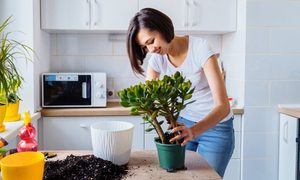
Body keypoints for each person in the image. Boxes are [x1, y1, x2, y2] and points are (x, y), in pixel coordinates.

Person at [126, 8, 234, 177]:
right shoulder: (157, 59)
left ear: (163, 28)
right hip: (183, 126)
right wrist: (164, 114)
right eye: (145, 47)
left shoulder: (201, 49)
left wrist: (194, 131)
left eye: (151, 41)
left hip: (216, 129)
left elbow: (223, 106)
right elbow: (149, 98)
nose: (151, 49)